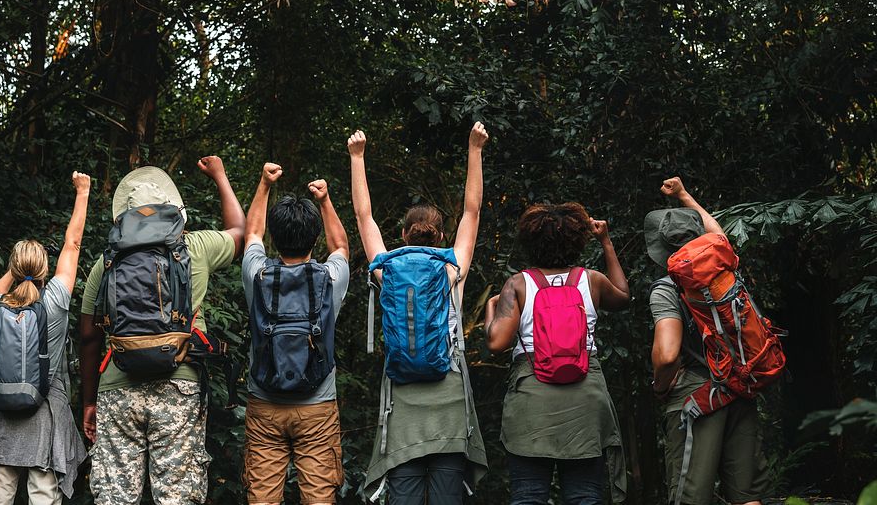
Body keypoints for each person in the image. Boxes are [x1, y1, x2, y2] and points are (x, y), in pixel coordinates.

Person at [79, 157, 245, 505]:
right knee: (177, 497)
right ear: (173, 211)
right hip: (179, 384)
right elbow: (240, 234)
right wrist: (220, 176)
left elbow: (89, 336)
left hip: (117, 387)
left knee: (115, 498)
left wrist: (90, 400)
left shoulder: (105, 261)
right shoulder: (195, 247)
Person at [351, 123, 491, 503]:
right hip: (448, 395)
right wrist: (474, 149)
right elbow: (472, 211)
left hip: (402, 402)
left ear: (403, 236)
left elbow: (365, 218)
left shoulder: (387, 269)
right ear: (441, 237)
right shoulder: (452, 269)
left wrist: (357, 158)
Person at [484, 202, 630, 505]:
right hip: (585, 404)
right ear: (577, 242)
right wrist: (605, 241)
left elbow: (497, 343)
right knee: (585, 497)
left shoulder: (518, 284)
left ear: (530, 242)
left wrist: (490, 310)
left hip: (532, 404)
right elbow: (623, 297)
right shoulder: (591, 280)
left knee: (529, 498)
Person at [0, 170, 92, 505]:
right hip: (46, 416)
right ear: (44, 271)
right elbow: (73, 243)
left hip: (2, 416)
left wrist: (16, 267)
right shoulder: (54, 301)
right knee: (43, 497)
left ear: (14, 268)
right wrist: (83, 192)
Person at [647, 177, 768, 505]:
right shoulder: (726, 271)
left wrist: (660, 387)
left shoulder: (668, 288)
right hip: (740, 387)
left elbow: (668, 354)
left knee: (690, 498)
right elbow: (717, 236)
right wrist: (685, 196)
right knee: (747, 497)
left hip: (698, 399)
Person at [241, 162, 351, 505]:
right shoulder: (331, 277)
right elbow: (341, 247)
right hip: (317, 406)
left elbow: (251, 234)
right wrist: (325, 200)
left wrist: (264, 183)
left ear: (274, 238)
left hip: (264, 403)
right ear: (314, 239)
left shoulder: (256, 273)